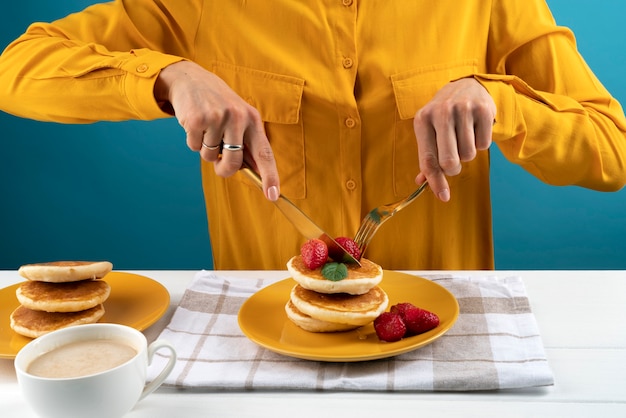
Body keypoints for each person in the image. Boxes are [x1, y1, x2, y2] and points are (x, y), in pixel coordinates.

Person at [1, 1, 625, 270]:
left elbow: (612, 150)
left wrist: (503, 100)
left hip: (444, 335)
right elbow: (15, 68)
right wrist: (166, 75)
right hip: (264, 341)